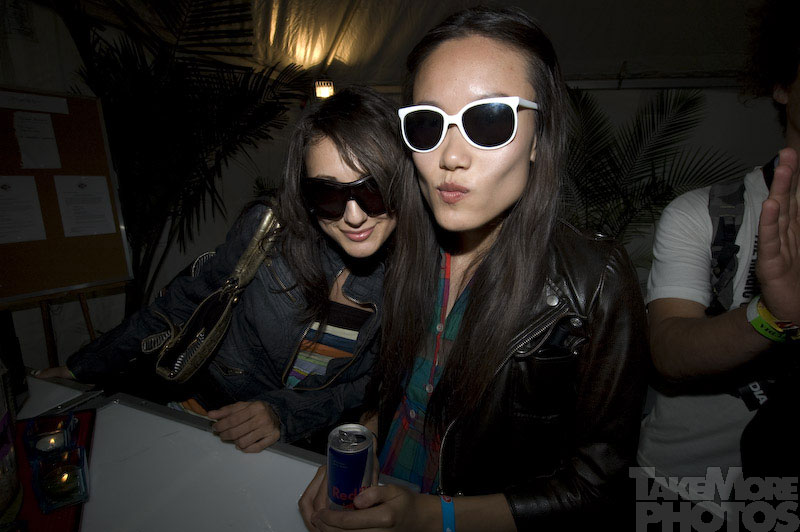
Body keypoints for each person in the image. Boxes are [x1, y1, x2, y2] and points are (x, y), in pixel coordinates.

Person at [299, 7, 648, 531]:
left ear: (539, 137)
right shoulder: (402, 250)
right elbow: (397, 396)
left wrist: (434, 516)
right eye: (427, 123)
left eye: (488, 121)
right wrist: (357, 446)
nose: (451, 157)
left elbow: (599, 488)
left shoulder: (593, 282)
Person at [35, 86, 416, 453]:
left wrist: (284, 414)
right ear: (304, 191)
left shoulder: (418, 279)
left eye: (373, 189)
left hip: (292, 445)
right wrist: (82, 367)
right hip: (201, 412)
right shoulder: (270, 235)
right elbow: (183, 303)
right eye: (328, 194)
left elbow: (371, 385)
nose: (354, 216)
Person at [636, 0, 800, 517]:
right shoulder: (704, 212)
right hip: (683, 490)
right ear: (782, 85)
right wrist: (774, 315)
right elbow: (668, 349)